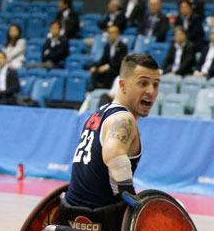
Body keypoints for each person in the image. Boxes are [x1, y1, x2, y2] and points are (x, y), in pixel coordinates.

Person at [64, 54, 160, 219]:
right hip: (104, 215)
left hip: (70, 210)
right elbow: (113, 153)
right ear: (122, 85)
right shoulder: (123, 118)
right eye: (143, 83)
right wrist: (127, 189)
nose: (151, 91)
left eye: (155, 85)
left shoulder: (97, 115)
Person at [90, 25, 128, 90]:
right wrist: (96, 67)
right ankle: (95, 90)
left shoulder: (123, 47)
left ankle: (106, 90)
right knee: (95, 71)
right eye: (109, 33)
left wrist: (107, 67)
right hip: (109, 68)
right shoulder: (107, 46)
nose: (111, 35)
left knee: (108, 72)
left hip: (117, 69)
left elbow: (120, 62)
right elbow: (103, 59)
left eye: (113, 32)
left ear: (118, 34)